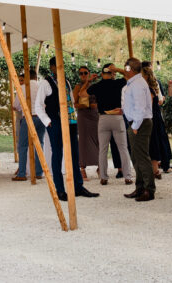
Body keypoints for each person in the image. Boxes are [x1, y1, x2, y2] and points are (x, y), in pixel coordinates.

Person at [43, 56, 99, 200]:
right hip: (55, 121)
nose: (61, 68)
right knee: (58, 154)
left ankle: (78, 187)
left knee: (75, 154)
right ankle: (60, 189)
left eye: (63, 65)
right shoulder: (46, 83)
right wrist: (47, 121)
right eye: (58, 66)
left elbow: (72, 101)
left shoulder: (67, 81)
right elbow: (38, 104)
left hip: (71, 121)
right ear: (52, 67)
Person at [88, 62, 133, 185]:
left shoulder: (97, 86)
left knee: (102, 149)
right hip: (117, 118)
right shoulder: (118, 83)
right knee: (123, 148)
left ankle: (103, 176)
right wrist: (118, 69)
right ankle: (128, 176)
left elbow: (86, 92)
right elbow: (128, 74)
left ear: (102, 74)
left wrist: (90, 80)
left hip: (103, 118)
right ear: (112, 73)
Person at [122, 58, 155, 201]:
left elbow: (140, 108)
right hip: (136, 122)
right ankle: (140, 187)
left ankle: (149, 189)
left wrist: (135, 126)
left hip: (139, 123)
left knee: (142, 157)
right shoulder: (135, 83)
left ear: (130, 69)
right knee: (136, 158)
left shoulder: (137, 84)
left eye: (126, 68)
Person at [12, 68, 48, 181]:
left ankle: (22, 173)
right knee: (39, 144)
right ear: (36, 77)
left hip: (28, 118)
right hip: (41, 118)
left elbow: (15, 106)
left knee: (22, 146)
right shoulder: (42, 87)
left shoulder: (22, 88)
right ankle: (39, 172)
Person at [143, 62, 172, 179]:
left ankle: (159, 166)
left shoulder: (152, 84)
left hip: (151, 115)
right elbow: (161, 100)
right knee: (159, 139)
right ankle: (161, 165)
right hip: (155, 114)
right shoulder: (155, 83)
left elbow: (160, 101)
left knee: (156, 140)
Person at [72, 65, 100, 180]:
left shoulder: (94, 86)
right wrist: (84, 105)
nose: (83, 75)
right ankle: (82, 169)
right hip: (83, 115)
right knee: (83, 142)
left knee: (98, 140)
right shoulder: (78, 87)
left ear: (89, 73)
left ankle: (100, 167)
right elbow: (74, 103)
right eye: (81, 73)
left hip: (94, 115)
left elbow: (100, 100)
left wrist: (95, 106)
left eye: (85, 73)